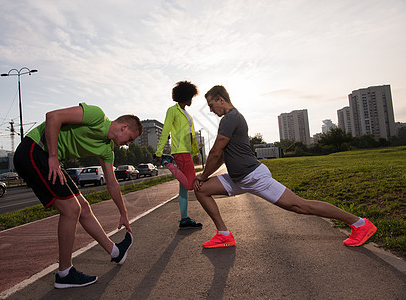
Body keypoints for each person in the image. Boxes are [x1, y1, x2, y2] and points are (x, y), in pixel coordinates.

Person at [194, 85, 377, 248]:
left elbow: (216, 151)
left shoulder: (230, 118)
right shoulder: (230, 119)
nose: (210, 110)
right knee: (202, 190)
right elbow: (221, 156)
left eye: (211, 105)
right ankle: (224, 235)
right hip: (237, 179)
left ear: (221, 99)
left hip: (253, 176)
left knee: (300, 206)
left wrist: (203, 175)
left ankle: (360, 224)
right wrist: (205, 176)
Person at [13, 103, 142, 288]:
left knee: (83, 207)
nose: (128, 144)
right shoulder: (96, 116)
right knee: (71, 209)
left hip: (50, 157)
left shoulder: (107, 150)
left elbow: (112, 183)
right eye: (130, 139)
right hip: (34, 150)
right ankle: (64, 273)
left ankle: (116, 252)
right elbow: (53, 117)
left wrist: (123, 213)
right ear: (124, 127)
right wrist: (53, 157)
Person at [155, 81, 203, 229]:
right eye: (190, 97)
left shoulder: (186, 114)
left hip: (186, 152)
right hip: (179, 152)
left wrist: (195, 152)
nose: (192, 100)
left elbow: (191, 135)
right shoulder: (172, 111)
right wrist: (159, 152)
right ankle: (167, 162)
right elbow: (165, 131)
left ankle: (184, 219)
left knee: (183, 188)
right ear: (185, 96)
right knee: (189, 185)